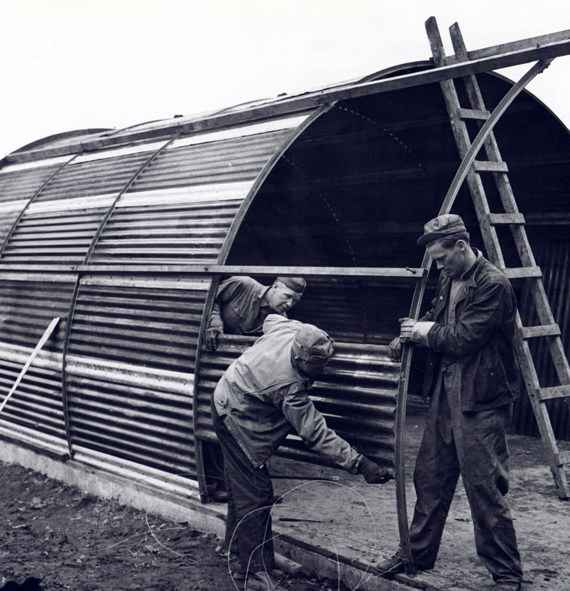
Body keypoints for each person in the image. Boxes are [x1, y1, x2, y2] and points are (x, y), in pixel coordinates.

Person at [378, 214, 524, 591]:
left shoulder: (493, 284)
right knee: (429, 477)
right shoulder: (450, 276)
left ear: (462, 246)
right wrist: (410, 332)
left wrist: (423, 333)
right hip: (445, 390)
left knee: (483, 486)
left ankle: (507, 575)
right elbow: (436, 316)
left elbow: (463, 338)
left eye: (442, 257)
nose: (439, 266)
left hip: (481, 396)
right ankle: (417, 553)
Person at [212, 314, 393, 591]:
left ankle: (239, 556)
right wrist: (360, 463)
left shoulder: (293, 329)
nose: (321, 372)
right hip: (234, 415)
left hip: (229, 393)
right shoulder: (289, 386)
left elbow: (271, 317)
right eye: (316, 368)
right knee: (256, 495)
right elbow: (315, 433)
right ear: (302, 361)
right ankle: (253, 573)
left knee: (242, 489)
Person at [201, 276, 306, 502]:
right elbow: (208, 298)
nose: (289, 304)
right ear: (275, 286)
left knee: (237, 425)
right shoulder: (243, 285)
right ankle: (217, 482)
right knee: (210, 422)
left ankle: (237, 487)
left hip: (237, 374)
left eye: (295, 301)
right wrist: (214, 324)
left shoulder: (279, 320)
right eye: (287, 297)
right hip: (209, 358)